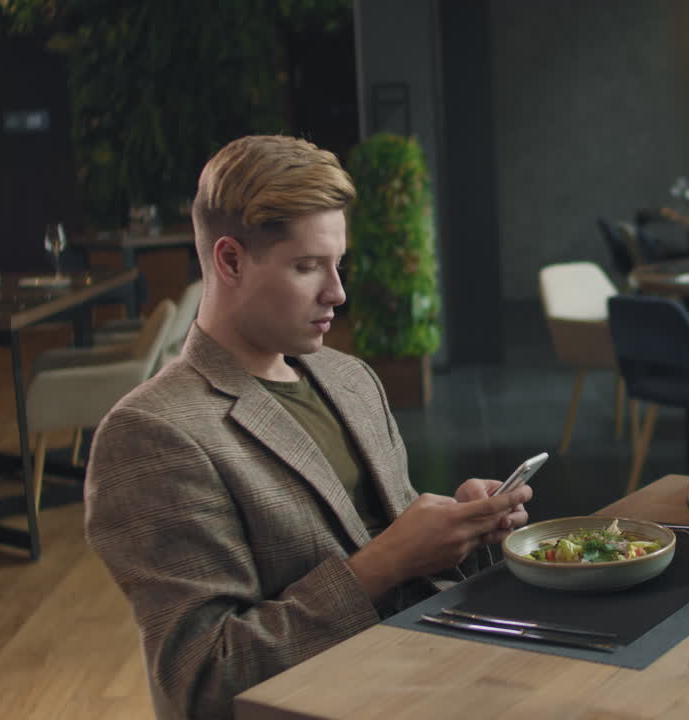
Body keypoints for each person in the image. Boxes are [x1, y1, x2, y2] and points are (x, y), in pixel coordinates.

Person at [84, 135, 531, 720]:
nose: (337, 293)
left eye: (337, 264)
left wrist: (461, 533)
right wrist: (387, 560)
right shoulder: (152, 434)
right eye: (306, 267)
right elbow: (204, 680)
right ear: (230, 261)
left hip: (433, 680)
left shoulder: (350, 379)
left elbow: (403, 569)